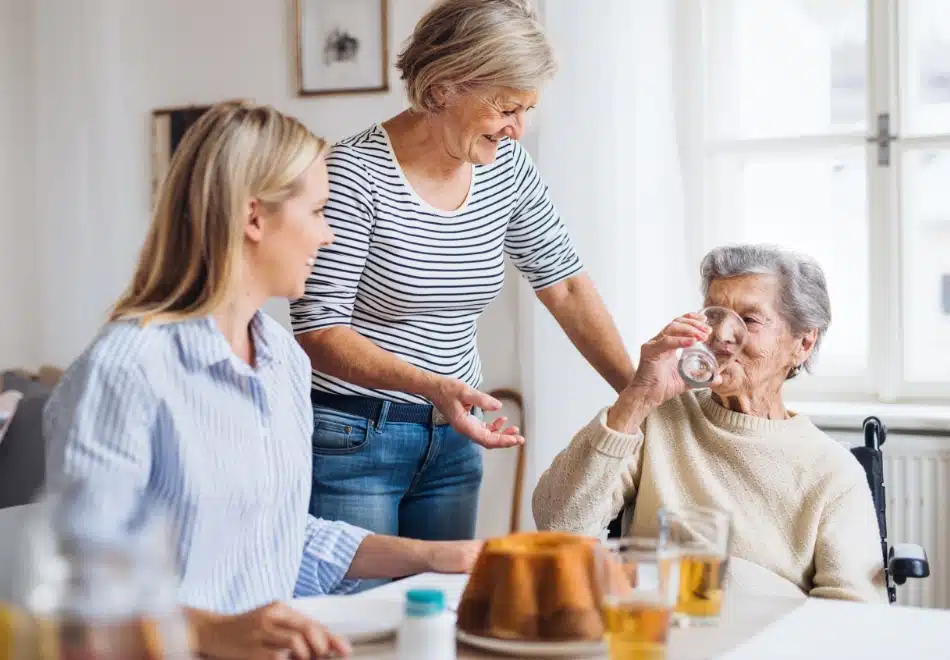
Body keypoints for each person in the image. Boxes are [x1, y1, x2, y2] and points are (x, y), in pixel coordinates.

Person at [43, 100, 482, 660]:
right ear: (254, 218)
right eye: (319, 212)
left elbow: (280, 540)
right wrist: (211, 632)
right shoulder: (124, 370)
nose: (326, 237)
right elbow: (83, 607)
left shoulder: (281, 359)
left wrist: (433, 557)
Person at [290, 0, 634, 542]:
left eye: (527, 109)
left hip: (454, 438)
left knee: (445, 612)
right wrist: (432, 387)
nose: (518, 129)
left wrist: (636, 396)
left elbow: (565, 286)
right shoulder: (353, 173)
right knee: (361, 620)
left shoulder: (508, 169)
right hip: (354, 436)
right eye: (505, 108)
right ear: (441, 89)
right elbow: (318, 328)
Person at [532, 244, 887, 603]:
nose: (721, 336)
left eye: (748, 320)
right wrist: (636, 398)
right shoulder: (658, 416)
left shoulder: (832, 473)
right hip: (652, 635)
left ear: (803, 343)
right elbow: (559, 526)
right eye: (714, 317)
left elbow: (854, 615)